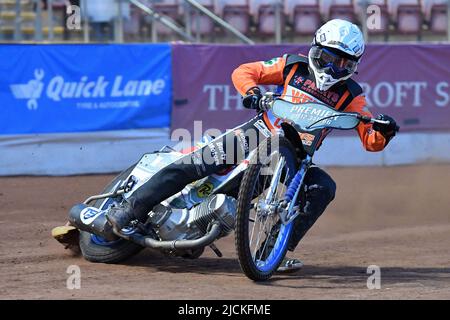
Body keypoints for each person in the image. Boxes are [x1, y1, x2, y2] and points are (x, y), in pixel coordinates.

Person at [106, 19, 399, 273]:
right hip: (257, 134)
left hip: (295, 162)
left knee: (324, 189)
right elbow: (245, 71)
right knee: (195, 164)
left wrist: (384, 131)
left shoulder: (352, 94)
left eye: (344, 64)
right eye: (329, 58)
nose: (334, 68)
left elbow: (371, 139)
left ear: (354, 66)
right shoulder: (292, 65)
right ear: (315, 50)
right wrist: (253, 93)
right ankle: (129, 210)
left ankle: (274, 251)